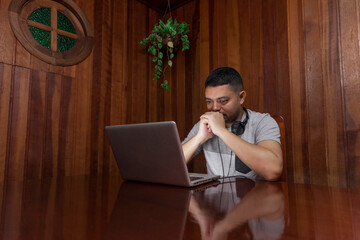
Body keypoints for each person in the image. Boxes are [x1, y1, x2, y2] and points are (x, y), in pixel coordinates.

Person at [182, 67, 283, 181]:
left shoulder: (263, 122)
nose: (214, 108)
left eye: (223, 101)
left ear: (241, 97)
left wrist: (221, 131)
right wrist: (199, 138)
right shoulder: (204, 125)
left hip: (255, 196)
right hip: (215, 197)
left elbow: (273, 171)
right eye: (209, 101)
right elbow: (170, 165)